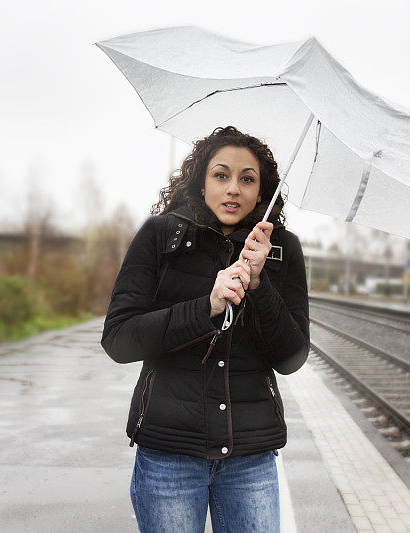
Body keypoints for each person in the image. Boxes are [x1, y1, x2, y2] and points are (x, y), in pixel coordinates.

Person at [100, 125, 310, 532]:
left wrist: (258, 285)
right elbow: (119, 338)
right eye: (221, 175)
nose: (233, 188)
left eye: (247, 179)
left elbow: (291, 358)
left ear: (261, 192)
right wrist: (207, 307)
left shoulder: (283, 251)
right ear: (201, 182)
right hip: (169, 456)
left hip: (251, 459)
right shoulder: (161, 235)